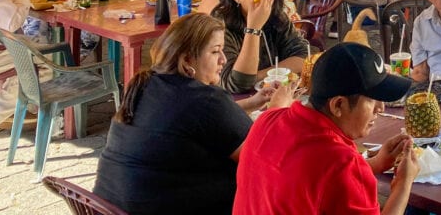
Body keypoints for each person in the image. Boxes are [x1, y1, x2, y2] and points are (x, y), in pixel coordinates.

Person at [93, 13, 295, 215]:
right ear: (188, 59)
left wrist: (252, 103)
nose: (223, 60)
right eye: (216, 52)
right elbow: (259, 158)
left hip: (107, 206)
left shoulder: (147, 84)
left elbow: (200, 124)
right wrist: (278, 110)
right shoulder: (205, 99)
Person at [233, 43, 419, 215]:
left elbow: (315, 181)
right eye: (371, 100)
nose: (381, 108)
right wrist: (403, 184)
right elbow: (332, 172)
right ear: (338, 105)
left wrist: (376, 163)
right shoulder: (341, 162)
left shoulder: (267, 120)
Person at [211, 0, 307, 93]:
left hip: (270, 97)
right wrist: (253, 28)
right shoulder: (219, 25)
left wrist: (260, 76)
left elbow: (303, 55)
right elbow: (238, 84)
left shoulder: (277, 17)